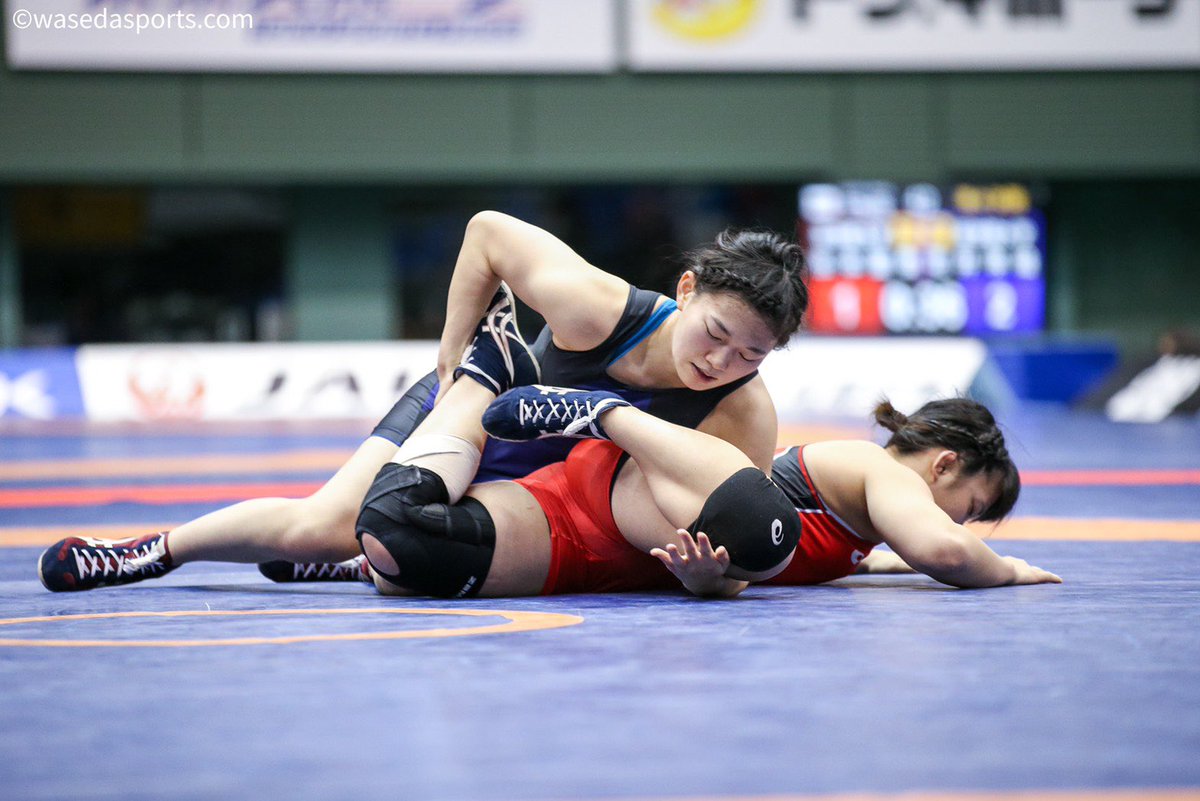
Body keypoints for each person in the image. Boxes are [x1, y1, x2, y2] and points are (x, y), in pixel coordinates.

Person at [37, 211, 808, 592]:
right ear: (685, 290)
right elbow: (486, 233)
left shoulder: (745, 410)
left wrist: (717, 581)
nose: (721, 363)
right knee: (321, 524)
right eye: (715, 334)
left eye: (750, 354)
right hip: (477, 408)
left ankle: (359, 566)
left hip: (544, 488)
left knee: (435, 554)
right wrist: (453, 345)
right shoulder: (595, 307)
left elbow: (729, 533)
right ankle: (156, 549)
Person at [350, 383, 1059, 599]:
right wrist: (1009, 568)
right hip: (643, 486)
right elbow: (944, 552)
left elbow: (877, 555)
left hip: (631, 542)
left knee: (412, 553)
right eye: (970, 510)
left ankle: (344, 559)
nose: (962, 526)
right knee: (761, 530)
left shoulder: (863, 529)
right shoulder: (878, 473)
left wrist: (710, 581)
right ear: (941, 466)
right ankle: (606, 411)